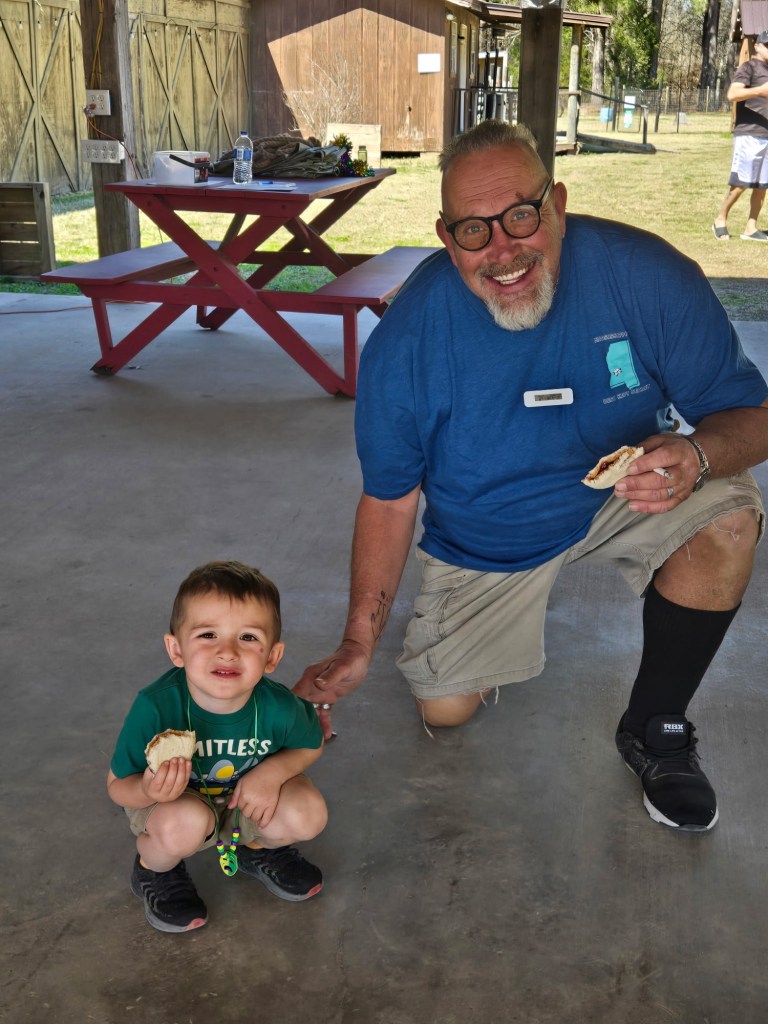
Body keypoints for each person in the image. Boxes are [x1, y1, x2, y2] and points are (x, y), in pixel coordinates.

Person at [295, 120, 768, 835]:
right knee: (444, 710)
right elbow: (389, 502)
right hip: (491, 532)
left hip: (629, 489)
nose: (504, 250)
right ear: (446, 238)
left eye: (522, 215)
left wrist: (697, 458)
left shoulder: (649, 275)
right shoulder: (406, 340)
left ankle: (658, 725)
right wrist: (359, 642)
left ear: (559, 206)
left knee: (728, 517)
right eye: (474, 230)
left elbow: (752, 416)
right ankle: (497, 630)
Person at [108, 560, 327, 933]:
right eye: (208, 634)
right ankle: (154, 870)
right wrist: (148, 789)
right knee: (184, 824)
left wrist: (272, 773)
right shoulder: (155, 706)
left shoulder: (280, 706)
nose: (227, 652)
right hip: (174, 807)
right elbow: (117, 786)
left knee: (307, 813)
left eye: (248, 637)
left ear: (272, 656)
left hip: (243, 801)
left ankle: (255, 848)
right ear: (176, 649)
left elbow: (311, 745)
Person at [712, 29, 768, 242]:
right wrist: (759, 91)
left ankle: (751, 228)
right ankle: (720, 219)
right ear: (758, 46)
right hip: (749, 134)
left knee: (762, 185)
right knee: (741, 182)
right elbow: (732, 94)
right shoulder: (749, 67)